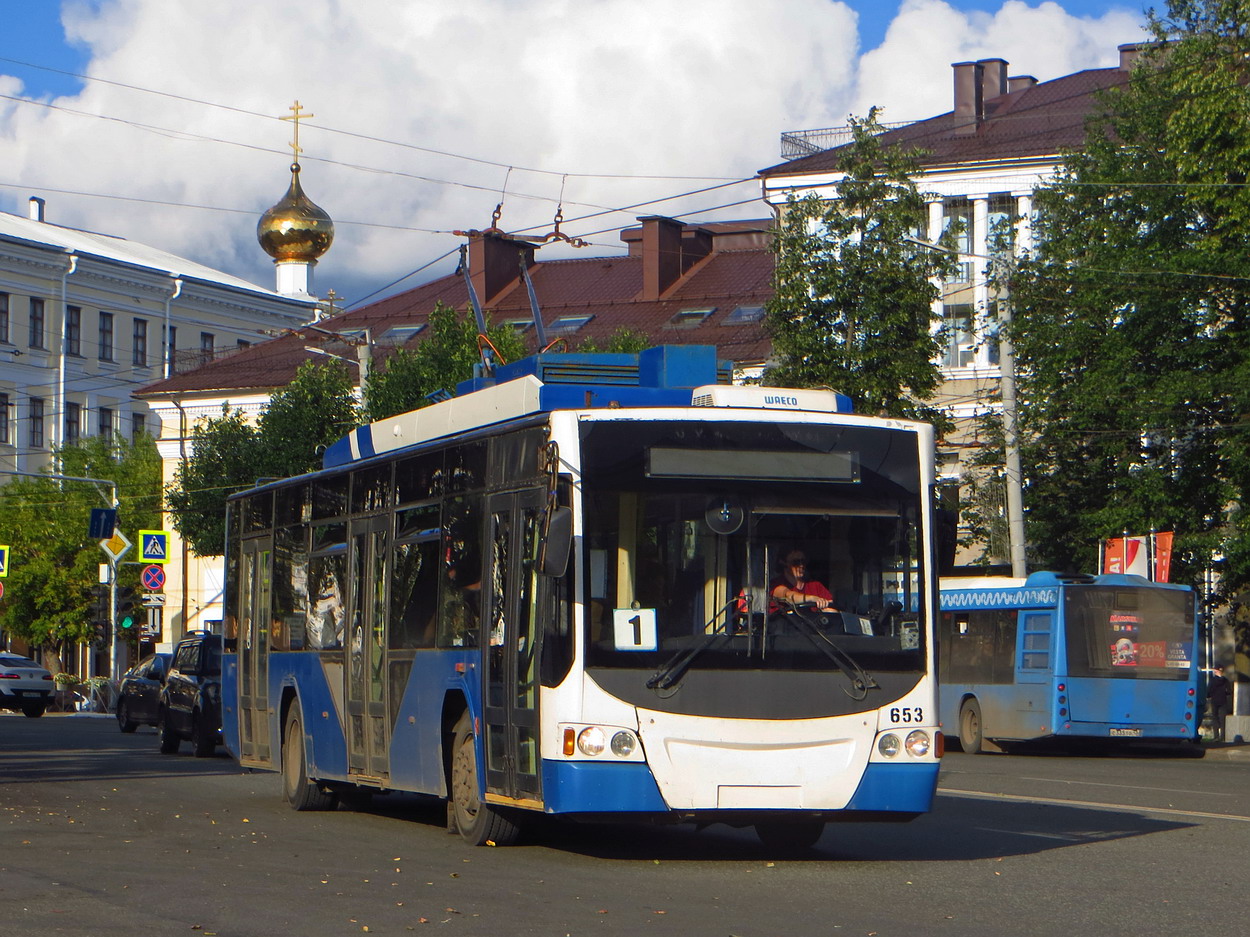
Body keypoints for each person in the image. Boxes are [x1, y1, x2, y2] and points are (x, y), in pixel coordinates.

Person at [770, 550, 837, 613]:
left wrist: (825, 608)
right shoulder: (777, 584)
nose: (801, 565)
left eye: (803, 561)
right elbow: (788, 597)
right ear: (784, 563)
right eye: (796, 562)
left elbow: (832, 610)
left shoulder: (816, 587)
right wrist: (813, 598)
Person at [1207, 666, 1233, 743]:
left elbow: (1209, 691)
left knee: (1215, 718)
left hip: (1214, 701)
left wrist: (1208, 696)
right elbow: (1229, 691)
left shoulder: (1212, 680)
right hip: (1223, 701)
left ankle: (1216, 737)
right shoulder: (1225, 681)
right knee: (1222, 719)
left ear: (1216, 671)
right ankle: (1223, 737)